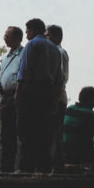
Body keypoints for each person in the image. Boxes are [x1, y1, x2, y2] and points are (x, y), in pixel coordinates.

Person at [15, 18, 62, 174]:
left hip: (32, 91)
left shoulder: (32, 45)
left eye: (27, 30)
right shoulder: (55, 49)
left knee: (26, 131)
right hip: (48, 92)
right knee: (44, 133)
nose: (26, 34)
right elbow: (59, 78)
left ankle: (25, 168)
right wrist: (55, 98)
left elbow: (24, 72)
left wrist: (18, 94)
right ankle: (44, 168)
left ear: (32, 30)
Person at [0, 26, 24, 175]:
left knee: (20, 135)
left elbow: (22, 77)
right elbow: (1, 79)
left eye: (8, 36)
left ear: (18, 38)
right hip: (6, 97)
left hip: (18, 97)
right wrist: (0, 104)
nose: (5, 38)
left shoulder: (24, 53)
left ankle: (20, 169)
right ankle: (5, 170)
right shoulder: (5, 58)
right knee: (6, 136)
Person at [46, 24, 69, 173]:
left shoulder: (59, 52)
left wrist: (55, 98)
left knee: (55, 134)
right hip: (53, 98)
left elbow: (62, 78)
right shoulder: (53, 52)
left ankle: (57, 167)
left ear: (56, 37)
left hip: (57, 99)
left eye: (48, 35)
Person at [62, 87, 94, 168]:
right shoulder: (92, 115)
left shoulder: (69, 109)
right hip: (81, 154)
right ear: (89, 100)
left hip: (64, 151)